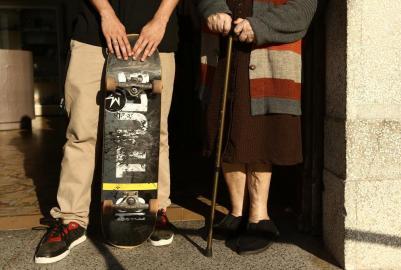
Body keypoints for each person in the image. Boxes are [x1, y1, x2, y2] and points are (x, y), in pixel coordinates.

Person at [35, 0, 179, 264]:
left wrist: (161, 19)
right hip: (94, 35)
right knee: (82, 132)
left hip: (156, 37)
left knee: (153, 133)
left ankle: (154, 209)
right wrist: (106, 13)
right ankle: (71, 219)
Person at [198, 0, 317, 255]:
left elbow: (303, 9)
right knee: (226, 126)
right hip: (224, 46)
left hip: (268, 50)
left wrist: (259, 26)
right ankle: (237, 212)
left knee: (260, 132)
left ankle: (259, 217)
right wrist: (213, 10)